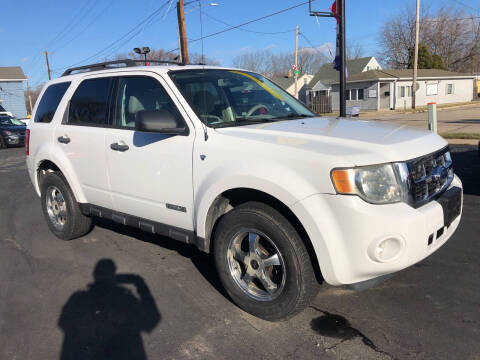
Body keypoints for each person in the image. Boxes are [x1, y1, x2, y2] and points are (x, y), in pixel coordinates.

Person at [58, 259, 160, 360]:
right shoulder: (124, 298)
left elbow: (64, 322)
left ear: (95, 274)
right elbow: (152, 320)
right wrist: (139, 282)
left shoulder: (79, 297)